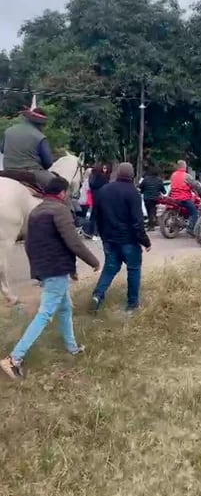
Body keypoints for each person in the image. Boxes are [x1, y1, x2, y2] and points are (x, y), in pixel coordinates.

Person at [0, 176, 100, 380]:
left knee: (65, 308)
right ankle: (14, 358)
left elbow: (29, 244)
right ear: (62, 193)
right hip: (56, 270)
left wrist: (37, 270)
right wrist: (93, 261)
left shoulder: (35, 212)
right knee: (45, 314)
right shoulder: (60, 210)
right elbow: (73, 242)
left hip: (47, 270)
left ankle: (71, 347)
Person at [90, 162, 152, 313]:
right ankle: (132, 305)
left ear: (117, 174)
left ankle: (98, 295)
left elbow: (96, 217)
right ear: (132, 176)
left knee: (110, 268)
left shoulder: (104, 190)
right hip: (128, 240)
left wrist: (103, 236)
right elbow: (138, 223)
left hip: (109, 240)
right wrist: (145, 241)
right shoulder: (133, 193)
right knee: (133, 269)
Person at [0, 107, 56, 189]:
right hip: (31, 173)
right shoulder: (40, 137)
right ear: (41, 124)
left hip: (7, 170)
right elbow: (48, 163)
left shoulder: (9, 131)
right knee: (57, 185)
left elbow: (2, 149)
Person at [167, 160, 201, 235]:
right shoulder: (186, 176)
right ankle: (190, 228)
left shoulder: (173, 175)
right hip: (184, 198)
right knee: (194, 212)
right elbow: (195, 185)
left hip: (174, 198)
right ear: (184, 166)